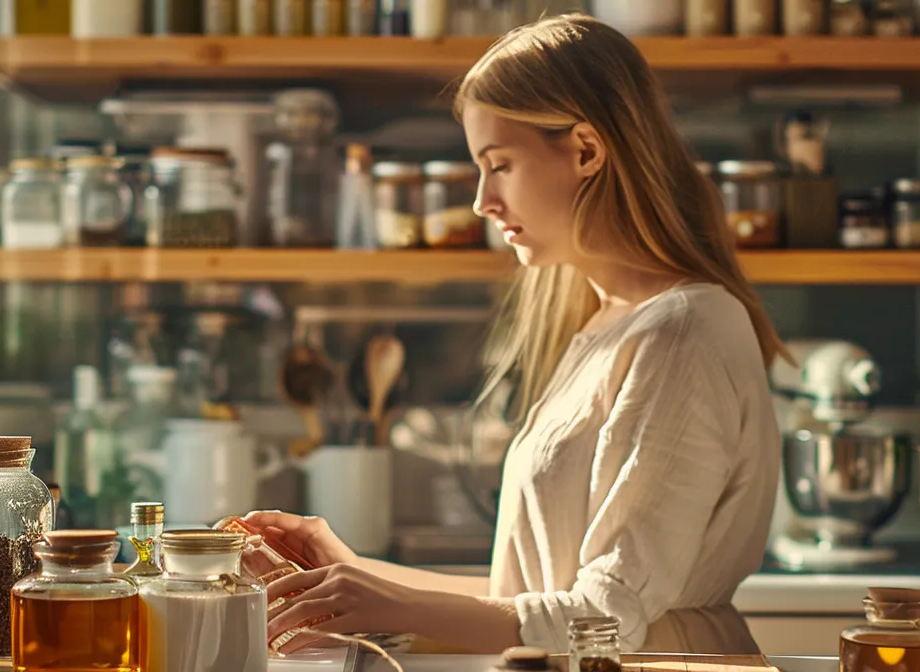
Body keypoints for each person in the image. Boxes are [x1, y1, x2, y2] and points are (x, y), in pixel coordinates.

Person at [247, 14, 787, 657]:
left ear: (587, 150)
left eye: (498, 165)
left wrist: (374, 595)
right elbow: (526, 597)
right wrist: (352, 574)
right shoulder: (607, 323)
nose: (481, 201)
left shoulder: (682, 333)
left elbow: (603, 620)